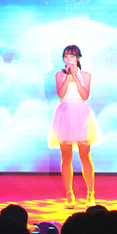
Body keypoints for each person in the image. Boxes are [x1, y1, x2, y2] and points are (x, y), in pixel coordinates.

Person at [49, 45, 103, 209]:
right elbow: (61, 93)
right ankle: (69, 194)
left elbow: (84, 95)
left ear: (78, 58)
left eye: (72, 56)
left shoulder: (86, 75)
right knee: (66, 157)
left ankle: (90, 193)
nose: (69, 59)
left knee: (85, 156)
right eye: (66, 56)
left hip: (81, 116)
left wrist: (76, 77)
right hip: (64, 116)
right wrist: (67, 76)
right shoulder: (59, 75)